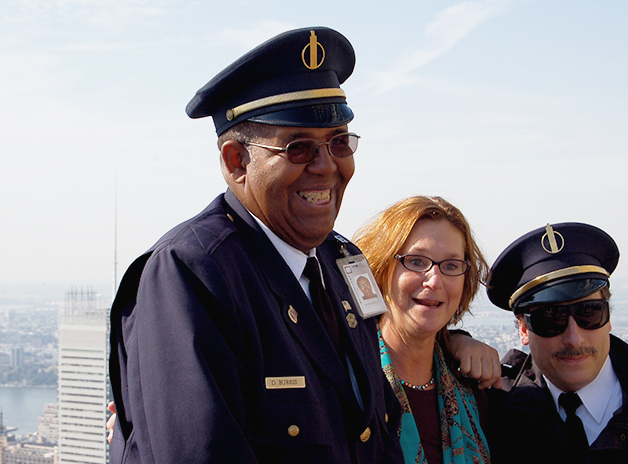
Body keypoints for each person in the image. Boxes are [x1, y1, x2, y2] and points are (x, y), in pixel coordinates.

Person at [108, 27, 498, 464]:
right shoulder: (193, 273)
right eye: (298, 148)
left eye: (338, 142)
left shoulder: (342, 260)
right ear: (237, 161)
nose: (326, 166)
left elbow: (376, 427)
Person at [484, 222, 628, 464]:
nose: (574, 339)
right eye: (551, 319)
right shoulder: (492, 411)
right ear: (523, 328)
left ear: (608, 318)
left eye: (589, 313)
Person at [353, 196, 491, 464]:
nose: (435, 280)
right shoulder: (349, 384)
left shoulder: (475, 394)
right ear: (381, 270)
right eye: (416, 261)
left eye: (451, 266)